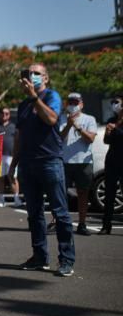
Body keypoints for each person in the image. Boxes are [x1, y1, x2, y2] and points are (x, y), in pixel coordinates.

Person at [10, 63, 75, 277]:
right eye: (30, 73)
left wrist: (34, 97)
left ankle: (66, 260)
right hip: (27, 164)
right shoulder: (22, 106)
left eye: (37, 73)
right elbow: (19, 137)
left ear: (45, 78)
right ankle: (40, 257)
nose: (33, 76)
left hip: (49, 162)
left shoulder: (51, 97)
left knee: (60, 213)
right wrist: (13, 165)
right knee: (34, 214)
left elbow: (51, 119)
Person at [55, 93, 97, 236]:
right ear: (66, 104)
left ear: (81, 104)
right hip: (65, 161)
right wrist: (68, 125)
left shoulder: (89, 119)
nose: (73, 105)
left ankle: (82, 224)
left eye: (76, 102)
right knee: (61, 193)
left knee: (83, 193)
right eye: (70, 102)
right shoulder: (60, 118)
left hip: (83, 162)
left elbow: (90, 139)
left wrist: (77, 127)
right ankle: (60, 222)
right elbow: (58, 138)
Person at [100, 94, 123, 235]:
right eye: (113, 102)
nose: (114, 104)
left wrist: (117, 129)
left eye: (117, 102)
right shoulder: (111, 120)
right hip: (112, 160)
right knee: (109, 194)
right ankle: (106, 225)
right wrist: (108, 132)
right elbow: (106, 141)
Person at [0, 107, 21, 207]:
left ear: (9, 115)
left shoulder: (13, 126)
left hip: (11, 156)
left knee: (12, 177)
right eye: (3, 113)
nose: (4, 115)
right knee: (0, 178)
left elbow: (18, 140)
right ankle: (1, 199)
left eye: (7, 113)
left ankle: (16, 199)